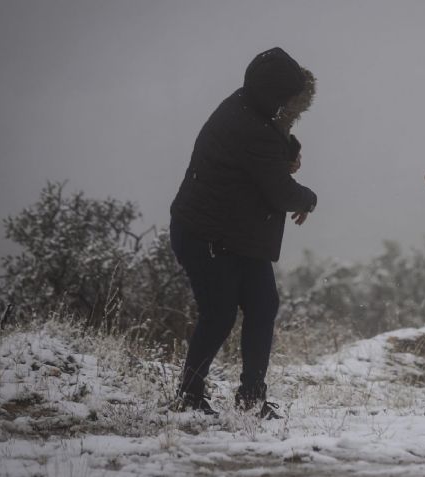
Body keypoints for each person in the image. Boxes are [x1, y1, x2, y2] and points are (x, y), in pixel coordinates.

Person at [169, 47, 317, 418]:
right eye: (288, 97)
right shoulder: (249, 125)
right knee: (218, 314)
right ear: (274, 94)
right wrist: (308, 198)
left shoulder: (245, 104)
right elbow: (281, 191)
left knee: (263, 305)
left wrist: (287, 155)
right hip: (208, 235)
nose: (290, 106)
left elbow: (269, 146)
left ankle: (251, 397)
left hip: (235, 234)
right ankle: (189, 397)